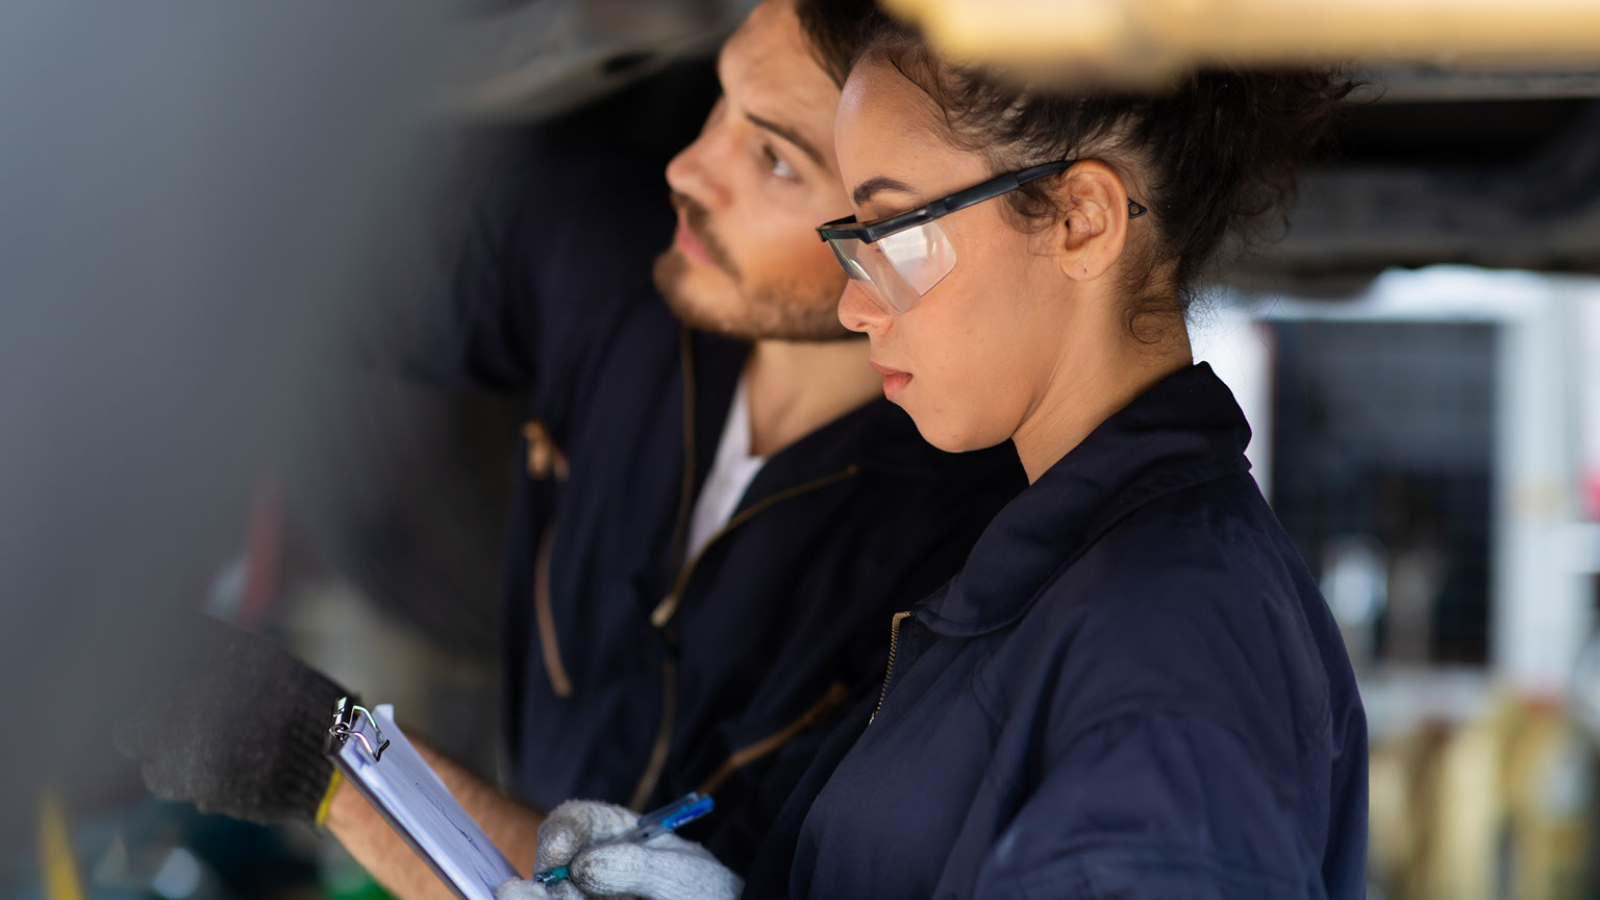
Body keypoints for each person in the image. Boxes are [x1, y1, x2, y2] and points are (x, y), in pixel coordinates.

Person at [114, 2, 1023, 898]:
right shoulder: (610, 250)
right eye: (719, 105)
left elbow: (624, 892)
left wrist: (326, 758)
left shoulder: (961, 578)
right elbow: (299, 289)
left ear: (899, 228)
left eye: (775, 159)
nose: (687, 169)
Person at [505, 13, 1368, 900]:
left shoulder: (1174, 634)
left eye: (892, 232)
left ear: (1081, 219)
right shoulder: (1058, 578)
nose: (855, 306)